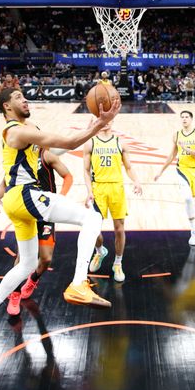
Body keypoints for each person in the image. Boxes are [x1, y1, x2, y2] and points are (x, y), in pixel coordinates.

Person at [0, 87, 121, 349]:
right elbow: (69, 143)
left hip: (15, 204)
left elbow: (55, 151)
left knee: (26, 265)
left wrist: (94, 125)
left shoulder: (24, 132)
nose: (24, 99)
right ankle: (78, 283)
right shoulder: (15, 130)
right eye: (17, 98)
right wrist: (100, 124)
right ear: (6, 107)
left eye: (23, 96)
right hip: (26, 196)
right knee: (92, 219)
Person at [0, 148, 74, 316]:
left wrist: (61, 197)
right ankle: (14, 294)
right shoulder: (19, 159)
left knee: (46, 259)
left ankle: (33, 280)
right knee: (21, 258)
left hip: (45, 211)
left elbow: (68, 176)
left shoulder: (47, 156)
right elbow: (6, 179)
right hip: (26, 211)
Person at [84, 120, 143, 282]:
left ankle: (118, 263)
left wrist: (136, 181)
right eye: (101, 120)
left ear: (113, 121)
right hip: (98, 189)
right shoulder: (90, 143)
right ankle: (99, 251)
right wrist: (89, 191)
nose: (105, 123)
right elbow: (86, 170)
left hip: (117, 188)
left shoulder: (120, 143)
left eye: (108, 120)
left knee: (119, 228)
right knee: (94, 228)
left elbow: (129, 167)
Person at [154, 110, 195, 246]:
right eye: (182, 117)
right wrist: (161, 171)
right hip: (182, 171)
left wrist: (187, 149)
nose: (184, 119)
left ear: (191, 119)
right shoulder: (177, 135)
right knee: (188, 199)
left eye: (187, 117)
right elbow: (172, 155)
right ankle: (194, 232)